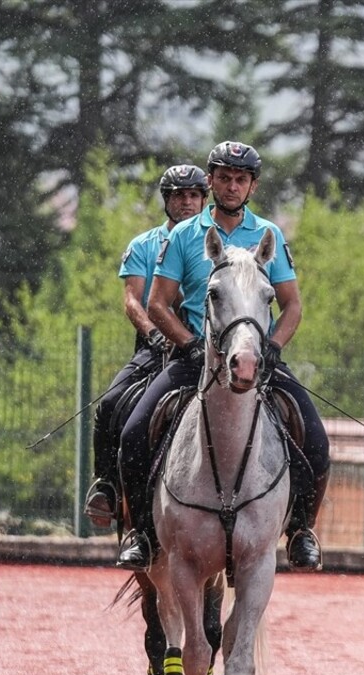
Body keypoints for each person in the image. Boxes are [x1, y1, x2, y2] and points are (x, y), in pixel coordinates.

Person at [115, 141, 330, 571]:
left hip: (256, 357)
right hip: (195, 357)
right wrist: (189, 343)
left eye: (241, 179)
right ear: (210, 181)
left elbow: (291, 306)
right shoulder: (182, 236)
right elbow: (158, 302)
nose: (232, 187)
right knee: (133, 434)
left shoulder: (269, 235)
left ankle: (302, 530)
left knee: (316, 438)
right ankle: (140, 532)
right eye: (225, 178)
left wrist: (272, 348)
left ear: (252, 185)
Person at [84, 165, 208, 527]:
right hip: (157, 348)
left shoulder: (217, 242)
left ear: (204, 199)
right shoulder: (144, 244)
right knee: (109, 404)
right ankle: (107, 485)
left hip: (209, 346)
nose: (186, 202)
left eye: (193, 196)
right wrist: (154, 333)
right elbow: (133, 300)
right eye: (178, 196)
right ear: (166, 201)